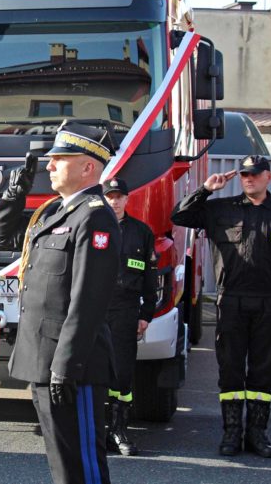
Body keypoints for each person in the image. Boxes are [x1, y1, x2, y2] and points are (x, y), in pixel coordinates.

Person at [0, 123, 120, 484]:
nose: (50, 165)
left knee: (83, 467)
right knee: (63, 464)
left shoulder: (94, 216)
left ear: (88, 167)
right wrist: (14, 194)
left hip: (71, 366)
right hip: (43, 360)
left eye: (60, 159)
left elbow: (87, 301)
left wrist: (66, 366)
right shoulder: (53, 211)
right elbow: (4, 237)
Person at [171, 155, 271, 458]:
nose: (248, 179)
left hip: (269, 303)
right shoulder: (220, 210)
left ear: (268, 177)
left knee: (262, 371)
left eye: (255, 175)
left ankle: (257, 435)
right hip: (230, 300)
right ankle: (231, 433)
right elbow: (178, 216)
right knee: (230, 369)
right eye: (244, 175)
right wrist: (206, 189)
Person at [102, 178, 157, 457]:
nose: (114, 201)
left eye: (119, 196)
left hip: (126, 312)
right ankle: (98, 431)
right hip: (94, 311)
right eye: (110, 196)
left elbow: (150, 278)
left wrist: (146, 314)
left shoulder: (141, 232)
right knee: (93, 370)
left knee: (122, 373)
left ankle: (119, 430)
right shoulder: (92, 226)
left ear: (127, 199)